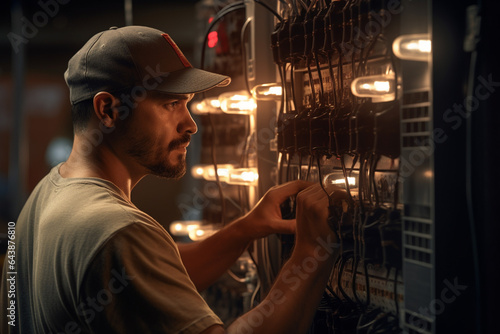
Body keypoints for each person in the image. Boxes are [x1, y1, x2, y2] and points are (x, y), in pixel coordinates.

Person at [0, 26, 346, 334]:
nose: (190, 124)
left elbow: (144, 280)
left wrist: (247, 228)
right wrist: (310, 254)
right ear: (107, 110)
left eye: (188, 103)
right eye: (171, 105)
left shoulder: (45, 196)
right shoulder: (118, 230)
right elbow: (128, 257)